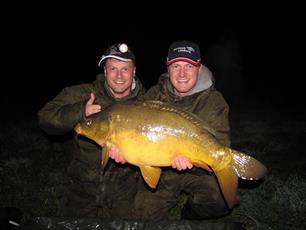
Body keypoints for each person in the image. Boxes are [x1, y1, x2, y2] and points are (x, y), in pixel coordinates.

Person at [109, 40, 232, 220]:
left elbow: (220, 144)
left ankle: (189, 216)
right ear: (168, 68)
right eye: (176, 66)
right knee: (142, 217)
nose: (182, 73)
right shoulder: (153, 96)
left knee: (218, 200)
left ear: (199, 68)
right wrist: (124, 152)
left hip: (198, 172)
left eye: (188, 66)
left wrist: (195, 164)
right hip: (163, 172)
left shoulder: (214, 102)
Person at [37, 43, 147, 219]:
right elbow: (45, 118)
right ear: (105, 71)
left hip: (124, 193)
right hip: (82, 188)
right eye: (113, 68)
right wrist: (81, 111)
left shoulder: (145, 102)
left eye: (125, 69)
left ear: (134, 71)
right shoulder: (86, 94)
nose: (119, 75)